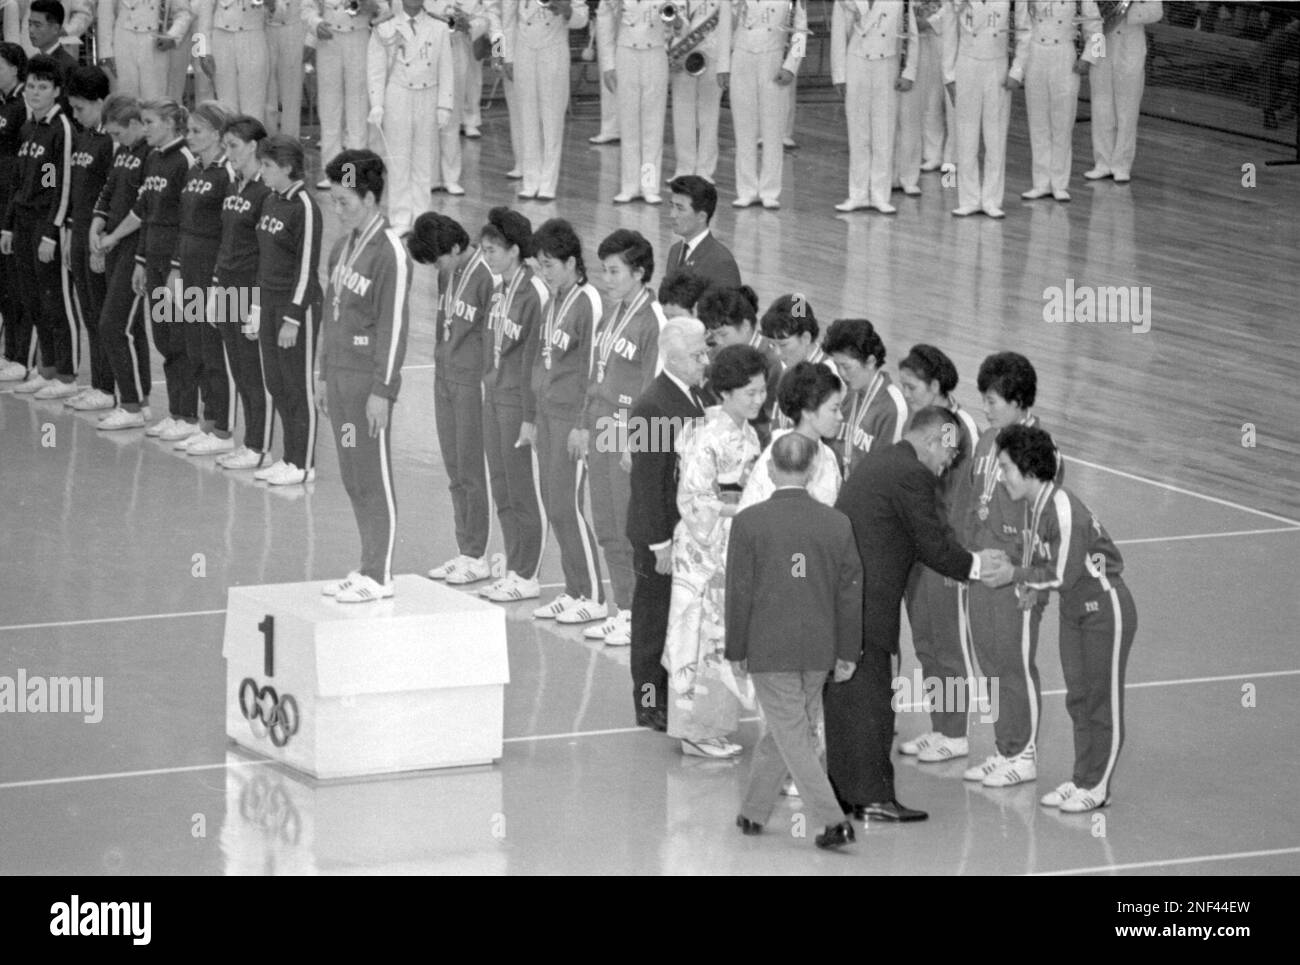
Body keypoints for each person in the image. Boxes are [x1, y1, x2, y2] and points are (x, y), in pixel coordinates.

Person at [827, 405, 1013, 823]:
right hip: (868, 601)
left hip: (849, 596)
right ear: (932, 440)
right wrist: (980, 566)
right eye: (949, 452)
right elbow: (933, 544)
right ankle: (872, 795)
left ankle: (844, 790)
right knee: (873, 699)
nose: (949, 463)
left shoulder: (883, 461)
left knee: (845, 696)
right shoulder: (912, 474)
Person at [993, 423, 1137, 813]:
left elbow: (1062, 573)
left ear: (1028, 469)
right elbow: (1043, 561)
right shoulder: (1034, 506)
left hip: (1105, 608)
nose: (1001, 476)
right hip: (1075, 611)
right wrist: (1031, 587)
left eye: (1005, 467)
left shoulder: (1062, 507)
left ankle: (1098, 785)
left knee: (1100, 701)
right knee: (1078, 698)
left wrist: (1016, 577)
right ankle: (1081, 778)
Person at [728, 432, 862, 849]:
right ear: (813, 469)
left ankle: (832, 820)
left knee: (793, 735)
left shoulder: (748, 523)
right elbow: (849, 592)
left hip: (770, 649)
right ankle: (753, 811)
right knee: (789, 731)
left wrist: (735, 650)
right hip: (818, 649)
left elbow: (739, 592)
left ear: (768, 470)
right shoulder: (837, 523)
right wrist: (846, 651)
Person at [959, 351, 1061, 787]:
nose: (986, 408)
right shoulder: (987, 441)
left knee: (1013, 663)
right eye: (984, 399)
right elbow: (974, 502)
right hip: (982, 570)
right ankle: (1005, 748)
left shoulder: (1041, 450)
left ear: (1020, 402)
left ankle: (1024, 754)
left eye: (994, 400)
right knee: (990, 663)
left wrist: (1027, 577)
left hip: (1016, 577)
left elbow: (1046, 521)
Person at [662, 343, 768, 758]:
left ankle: (714, 725)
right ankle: (696, 730)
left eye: (762, 392)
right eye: (750, 393)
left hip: (732, 540)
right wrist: (741, 506)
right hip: (705, 550)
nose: (759, 400)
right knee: (701, 637)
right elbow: (693, 500)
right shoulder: (707, 434)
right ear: (725, 393)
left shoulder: (746, 431)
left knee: (722, 636)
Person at [318, 148, 410, 603]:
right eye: (333, 201)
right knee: (353, 472)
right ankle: (365, 562)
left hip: (365, 384)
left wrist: (383, 391)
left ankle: (381, 573)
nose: (337, 211)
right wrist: (320, 373)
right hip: (337, 378)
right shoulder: (343, 246)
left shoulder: (389, 253)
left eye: (345, 202)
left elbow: (393, 328)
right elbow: (328, 314)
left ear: (370, 198)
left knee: (374, 475)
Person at [576, 228, 662, 646]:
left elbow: (654, 388)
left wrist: (637, 443)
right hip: (603, 425)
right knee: (608, 524)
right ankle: (624, 609)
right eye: (603, 270)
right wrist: (584, 423)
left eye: (614, 271)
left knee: (632, 528)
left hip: (630, 433)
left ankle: (641, 615)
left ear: (639, 272)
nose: (605, 279)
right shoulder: (613, 313)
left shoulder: (653, 319)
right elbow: (597, 375)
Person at [896, 344, 980, 762]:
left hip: (943, 553)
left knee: (947, 645)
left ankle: (956, 733)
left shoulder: (954, 429)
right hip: (920, 549)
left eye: (912, 387)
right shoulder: (924, 422)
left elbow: (957, 499)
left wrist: (953, 556)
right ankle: (940, 726)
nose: (907, 393)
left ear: (936, 385)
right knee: (926, 644)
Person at [625, 315, 709, 731]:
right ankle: (647, 701)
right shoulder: (651, 407)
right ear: (673, 359)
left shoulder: (694, 396)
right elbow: (646, 483)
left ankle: (671, 693)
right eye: (696, 355)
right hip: (659, 536)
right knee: (652, 620)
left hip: (684, 534)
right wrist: (659, 544)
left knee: (676, 617)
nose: (704, 361)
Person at [408, 212, 495, 588]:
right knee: (454, 468)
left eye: (438, 259)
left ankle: (478, 553)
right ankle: (464, 548)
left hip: (471, 383)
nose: (435, 268)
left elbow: (494, 339)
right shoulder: (448, 271)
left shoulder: (488, 277)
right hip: (444, 377)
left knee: (472, 470)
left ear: (457, 247)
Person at [98, 99, 195, 429]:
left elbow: (188, 219)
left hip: (175, 266)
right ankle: (176, 413)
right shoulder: (154, 158)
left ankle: (192, 417)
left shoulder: (185, 161)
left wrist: (178, 267)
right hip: (152, 260)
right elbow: (144, 209)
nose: (146, 128)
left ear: (169, 123)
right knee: (164, 340)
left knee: (183, 340)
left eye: (150, 122)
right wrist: (138, 259)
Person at [529, 217, 607, 625]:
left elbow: (596, 369)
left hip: (571, 420)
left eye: (550, 265)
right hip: (547, 415)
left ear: (572, 261)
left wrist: (584, 424)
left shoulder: (589, 302)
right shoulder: (553, 300)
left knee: (568, 505)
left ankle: (592, 594)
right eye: (540, 266)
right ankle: (573, 588)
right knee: (553, 505)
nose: (544, 273)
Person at [477, 206, 549, 604]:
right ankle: (513, 564)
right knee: (501, 486)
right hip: (494, 396)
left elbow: (535, 359)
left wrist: (530, 416)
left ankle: (529, 572)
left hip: (518, 403)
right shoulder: (499, 288)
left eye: (493, 250)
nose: (486, 256)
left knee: (523, 489)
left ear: (515, 250)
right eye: (484, 249)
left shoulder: (533, 292)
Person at [1, 55, 77, 399]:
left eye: (43, 87)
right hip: (25, 223)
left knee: (54, 300)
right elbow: (20, 184)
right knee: (32, 297)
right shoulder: (29, 128)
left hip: (48, 227)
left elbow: (61, 187)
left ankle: (66, 374)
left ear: (57, 91)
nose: (34, 92)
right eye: (31, 86)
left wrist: (51, 230)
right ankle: (45, 370)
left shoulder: (61, 129)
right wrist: (9, 226)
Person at [252, 134, 322, 485]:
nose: (262, 171)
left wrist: (293, 317)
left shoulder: (304, 207)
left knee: (297, 385)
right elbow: (263, 260)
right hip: (268, 302)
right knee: (276, 382)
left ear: (288, 168)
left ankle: (304, 462)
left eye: (267, 166)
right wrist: (255, 306)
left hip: (296, 307)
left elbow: (307, 269)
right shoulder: (270, 201)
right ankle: (288, 456)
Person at [170, 100, 237, 457]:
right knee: (195, 347)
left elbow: (230, 233)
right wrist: (177, 268)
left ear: (216, 134)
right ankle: (207, 423)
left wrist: (216, 282)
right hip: (191, 271)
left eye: (197, 131)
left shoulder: (228, 175)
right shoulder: (195, 171)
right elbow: (185, 225)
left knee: (215, 353)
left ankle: (222, 428)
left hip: (215, 277)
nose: (190, 137)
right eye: (188, 130)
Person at [212, 114, 274, 467]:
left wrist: (257, 304)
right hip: (228, 288)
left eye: (233, 146)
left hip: (251, 293)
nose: (229, 153)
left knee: (253, 373)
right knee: (237, 367)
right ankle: (249, 442)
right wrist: (218, 286)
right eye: (226, 147)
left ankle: (258, 446)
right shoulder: (234, 186)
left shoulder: (266, 193)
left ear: (253, 147)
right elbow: (227, 241)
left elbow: (267, 253)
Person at [88, 93, 152, 429]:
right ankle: (137, 400)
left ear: (135, 125)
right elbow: (109, 190)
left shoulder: (150, 156)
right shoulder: (123, 152)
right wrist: (96, 227)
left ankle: (130, 404)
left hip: (133, 248)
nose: (114, 139)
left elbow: (142, 207)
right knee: (127, 326)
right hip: (113, 245)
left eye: (117, 133)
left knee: (112, 324)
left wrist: (112, 239)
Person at [367, 0, 454, 232]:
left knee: (424, 161)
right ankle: (400, 217)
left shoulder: (439, 26)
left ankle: (422, 217)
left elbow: (446, 67)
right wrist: (376, 104)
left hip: (428, 93)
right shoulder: (385, 26)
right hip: (398, 95)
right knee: (398, 159)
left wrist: (445, 104)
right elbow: (375, 68)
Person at [830, 0, 918, 214]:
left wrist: (909, 71)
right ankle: (857, 193)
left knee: (884, 132)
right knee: (858, 133)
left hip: (887, 63)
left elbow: (911, 36)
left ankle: (880, 194)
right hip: (856, 62)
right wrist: (839, 75)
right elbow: (838, 36)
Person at [62, 66, 116, 411]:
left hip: (98, 239)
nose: (76, 115)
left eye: (81, 108)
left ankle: (109, 387)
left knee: (101, 314)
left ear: (100, 103)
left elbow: (111, 195)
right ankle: (97, 382)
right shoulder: (82, 137)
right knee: (88, 312)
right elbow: (69, 186)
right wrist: (67, 231)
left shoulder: (110, 141)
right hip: (77, 233)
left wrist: (102, 239)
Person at [944, 0, 1028, 218]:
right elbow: (949, 30)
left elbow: (1024, 31)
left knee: (995, 136)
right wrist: (949, 74)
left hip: (997, 66)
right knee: (965, 135)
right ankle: (968, 198)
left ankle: (991, 199)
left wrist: (1017, 70)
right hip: (966, 64)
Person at [499, 0, 587, 202]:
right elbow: (500, 19)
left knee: (552, 118)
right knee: (524, 118)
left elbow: (581, 17)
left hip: (552, 49)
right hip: (517, 50)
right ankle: (528, 176)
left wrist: (566, 11)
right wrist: (502, 57)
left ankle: (547, 183)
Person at [1013, 0, 1099, 202]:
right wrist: (1019, 68)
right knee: (1038, 123)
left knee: (1063, 123)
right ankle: (1040, 183)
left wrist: (1089, 59)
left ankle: (1060, 183)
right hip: (1036, 55)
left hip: (1064, 55)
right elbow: (1022, 29)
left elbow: (1097, 29)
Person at [728, 0, 807, 209]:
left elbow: (800, 32)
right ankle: (746, 189)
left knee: (773, 129)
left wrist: (791, 65)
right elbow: (726, 24)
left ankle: (770, 190)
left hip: (773, 58)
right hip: (742, 57)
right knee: (744, 128)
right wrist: (723, 65)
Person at [739, 360, 843, 509]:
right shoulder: (777, 457)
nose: (840, 417)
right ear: (808, 412)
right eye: (834, 409)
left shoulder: (829, 456)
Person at [597, 0, 669, 204]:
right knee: (628, 125)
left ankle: (649, 185)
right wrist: (608, 63)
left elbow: (679, 14)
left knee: (652, 126)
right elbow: (605, 20)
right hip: (625, 53)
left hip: (655, 52)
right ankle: (629, 186)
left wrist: (677, 23)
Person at [1084, 0, 1162, 183]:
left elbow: (1157, 12)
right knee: (1100, 103)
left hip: (1130, 42)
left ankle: (1121, 165)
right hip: (1100, 39)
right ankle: (1102, 162)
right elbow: (1089, 8)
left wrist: (1127, 12)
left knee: (1127, 107)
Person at [303, 0, 375, 191]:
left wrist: (371, 7)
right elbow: (308, 7)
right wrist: (316, 24)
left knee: (357, 109)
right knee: (329, 109)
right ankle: (333, 173)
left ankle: (353, 175)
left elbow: (383, 8)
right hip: (329, 38)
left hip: (358, 36)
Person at [822, 316, 907, 477]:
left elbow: (887, 472)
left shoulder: (893, 407)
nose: (841, 373)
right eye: (837, 366)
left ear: (870, 362)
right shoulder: (844, 392)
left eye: (846, 366)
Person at [697, 285, 780, 446]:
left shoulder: (773, 362)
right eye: (714, 335)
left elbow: (771, 421)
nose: (718, 342)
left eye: (723, 334)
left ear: (746, 326)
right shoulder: (716, 353)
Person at [666, 0, 730, 183]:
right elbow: (665, 24)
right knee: (682, 113)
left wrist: (724, 65)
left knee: (709, 114)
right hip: (682, 56)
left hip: (712, 54)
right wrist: (671, 53)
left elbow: (726, 27)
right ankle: (684, 168)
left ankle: (705, 169)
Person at [894, 0, 948, 198]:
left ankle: (949, 175)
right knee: (929, 103)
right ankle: (932, 154)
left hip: (948, 42)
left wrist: (931, 21)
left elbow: (952, 7)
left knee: (954, 111)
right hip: (921, 44)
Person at [0, 42, 31, 382]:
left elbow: (45, 170)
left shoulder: (24, 106)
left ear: (13, 67)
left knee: (17, 283)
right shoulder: (4, 104)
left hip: (16, 206)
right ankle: (10, 353)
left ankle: (23, 356)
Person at [96, 0, 193, 101]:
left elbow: (183, 13)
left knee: (155, 99)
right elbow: (105, 14)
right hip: (123, 42)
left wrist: (172, 36)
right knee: (124, 97)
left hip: (156, 43)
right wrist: (106, 51)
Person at [664, 174, 741, 291]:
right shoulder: (675, 251)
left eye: (680, 208)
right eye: (672, 206)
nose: (672, 215)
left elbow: (730, 307)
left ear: (701, 217)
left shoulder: (721, 262)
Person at [264, 0, 306, 137]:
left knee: (292, 92)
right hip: (263, 27)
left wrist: (310, 39)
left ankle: (291, 140)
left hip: (294, 27)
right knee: (266, 90)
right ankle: (268, 138)